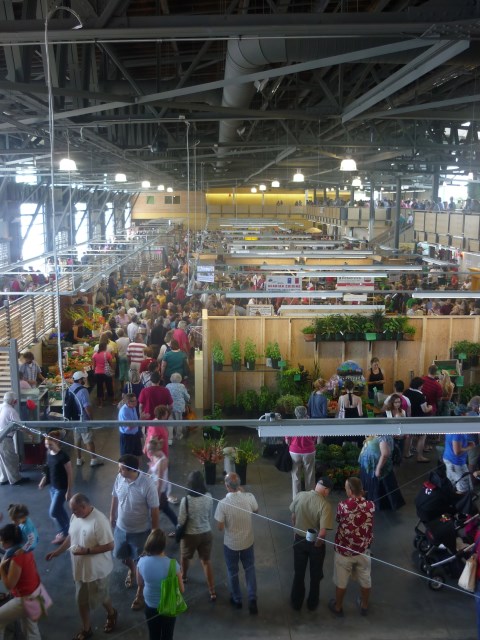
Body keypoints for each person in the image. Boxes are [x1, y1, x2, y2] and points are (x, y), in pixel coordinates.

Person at [45, 493, 117, 639]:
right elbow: (71, 536)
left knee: (101, 597)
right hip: (80, 570)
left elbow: (110, 545)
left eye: (75, 510)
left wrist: (87, 551)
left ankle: (111, 613)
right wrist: (58, 552)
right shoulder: (76, 517)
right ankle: (86, 628)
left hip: (97, 571)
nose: (72, 513)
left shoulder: (99, 521)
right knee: (81, 600)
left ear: (84, 507)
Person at [110, 454, 159, 611]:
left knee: (141, 564)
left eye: (121, 468)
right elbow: (114, 495)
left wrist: (154, 532)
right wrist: (112, 515)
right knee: (120, 555)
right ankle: (132, 570)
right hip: (121, 528)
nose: (118, 471)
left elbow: (155, 509)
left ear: (131, 469)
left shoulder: (147, 484)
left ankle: (139, 592)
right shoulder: (120, 478)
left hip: (140, 532)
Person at [328, 477, 375, 617]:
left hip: (344, 550)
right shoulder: (371, 505)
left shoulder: (343, 505)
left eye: (346, 488)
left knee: (341, 581)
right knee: (365, 579)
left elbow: (338, 520)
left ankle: (338, 606)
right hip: (363, 550)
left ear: (350, 491)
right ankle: (364, 605)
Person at [214, 472, 259, 614]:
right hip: (248, 541)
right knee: (249, 568)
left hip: (231, 544)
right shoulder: (249, 497)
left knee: (232, 571)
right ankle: (252, 598)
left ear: (227, 486)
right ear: (239, 485)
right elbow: (256, 510)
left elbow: (220, 528)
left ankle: (237, 599)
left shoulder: (222, 504)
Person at [289, 477, 334, 612]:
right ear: (326, 490)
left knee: (299, 573)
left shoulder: (300, 495)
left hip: (299, 540)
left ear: (316, 485)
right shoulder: (325, 505)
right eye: (328, 491)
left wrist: (296, 532)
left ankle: (296, 602)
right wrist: (318, 544)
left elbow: (293, 516)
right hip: (315, 546)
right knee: (315, 575)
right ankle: (312, 603)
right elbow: (322, 533)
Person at [136, 528, 184, 640]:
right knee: (167, 635)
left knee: (153, 635)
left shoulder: (141, 562)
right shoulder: (173, 565)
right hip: (168, 606)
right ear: (164, 545)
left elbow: (139, 583)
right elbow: (182, 589)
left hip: (150, 605)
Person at [0, 524, 43, 640]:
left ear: (10, 542)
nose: (1, 544)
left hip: (26, 598)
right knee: (30, 630)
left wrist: (1, 569)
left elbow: (9, 585)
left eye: (3, 542)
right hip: (37, 593)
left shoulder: (16, 559)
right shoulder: (25, 550)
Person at [177, 470, 216, 600]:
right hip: (206, 533)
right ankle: (212, 590)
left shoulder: (186, 501)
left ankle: (183, 576)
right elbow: (210, 515)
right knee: (206, 561)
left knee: (184, 556)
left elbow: (181, 521)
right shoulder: (209, 496)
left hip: (190, 535)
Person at [39, 430, 73, 545]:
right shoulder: (49, 453)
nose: (48, 446)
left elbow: (70, 475)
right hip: (53, 487)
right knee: (60, 509)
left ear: (56, 442)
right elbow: (48, 469)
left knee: (53, 512)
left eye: (50, 444)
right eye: (46, 444)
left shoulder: (63, 457)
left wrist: (69, 490)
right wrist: (44, 480)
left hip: (61, 489)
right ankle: (69, 530)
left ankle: (63, 533)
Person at [359, 435, 405, 511]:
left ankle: (379, 506)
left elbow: (385, 454)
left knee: (380, 488)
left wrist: (378, 468)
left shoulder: (383, 436)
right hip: (370, 468)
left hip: (377, 469)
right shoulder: (377, 433)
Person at [69, 372, 103, 468]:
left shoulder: (70, 388)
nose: (85, 380)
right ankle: (93, 459)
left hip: (73, 418)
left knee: (77, 439)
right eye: (84, 378)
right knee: (88, 439)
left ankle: (79, 459)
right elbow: (87, 407)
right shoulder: (83, 391)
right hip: (82, 418)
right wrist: (91, 419)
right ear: (80, 380)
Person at [146, 438, 178, 537]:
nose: (147, 452)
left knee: (162, 508)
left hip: (161, 488)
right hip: (153, 486)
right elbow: (151, 470)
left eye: (148, 450)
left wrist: (158, 495)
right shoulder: (154, 456)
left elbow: (160, 480)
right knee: (164, 509)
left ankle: (178, 527)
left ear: (153, 450)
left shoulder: (163, 461)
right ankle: (178, 526)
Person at [285, 406, 317, 498]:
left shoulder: (291, 424)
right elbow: (314, 438)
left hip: (294, 452)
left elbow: (287, 441)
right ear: (306, 413)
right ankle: (309, 500)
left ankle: (296, 502)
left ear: (296, 414)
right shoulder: (311, 424)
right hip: (309, 451)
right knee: (310, 477)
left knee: (295, 477)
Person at [0, 391, 30, 485]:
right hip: (5, 438)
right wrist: (30, 433)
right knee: (11, 458)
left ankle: (3, 478)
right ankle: (15, 479)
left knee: (2, 460)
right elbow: (20, 426)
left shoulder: (1, 407)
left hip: (1, 436)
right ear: (14, 401)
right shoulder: (11, 411)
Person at [403, 377, 433, 463]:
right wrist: (430, 407)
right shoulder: (420, 395)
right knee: (422, 436)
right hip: (419, 419)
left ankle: (407, 453)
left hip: (409, 418)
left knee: (410, 435)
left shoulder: (406, 391)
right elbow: (425, 410)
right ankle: (419, 456)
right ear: (420, 386)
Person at [118, 394, 143, 460]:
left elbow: (135, 421)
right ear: (128, 402)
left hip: (135, 434)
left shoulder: (133, 407)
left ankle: (136, 469)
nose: (136, 402)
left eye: (136, 400)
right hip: (127, 437)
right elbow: (129, 426)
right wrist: (141, 420)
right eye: (134, 401)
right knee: (127, 458)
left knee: (138, 454)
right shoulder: (124, 411)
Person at [166, 372, 190, 439]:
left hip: (170, 406)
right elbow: (186, 396)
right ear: (180, 379)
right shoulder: (181, 386)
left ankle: (170, 435)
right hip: (179, 406)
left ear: (171, 378)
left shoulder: (168, 385)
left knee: (170, 420)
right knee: (179, 420)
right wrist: (188, 398)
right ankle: (178, 435)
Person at [91, 342, 114, 408]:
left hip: (98, 373)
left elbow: (94, 365)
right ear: (105, 348)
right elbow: (111, 364)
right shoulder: (108, 354)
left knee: (99, 387)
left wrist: (94, 372)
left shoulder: (95, 355)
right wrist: (112, 370)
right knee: (109, 386)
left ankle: (100, 403)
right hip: (106, 373)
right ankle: (112, 401)